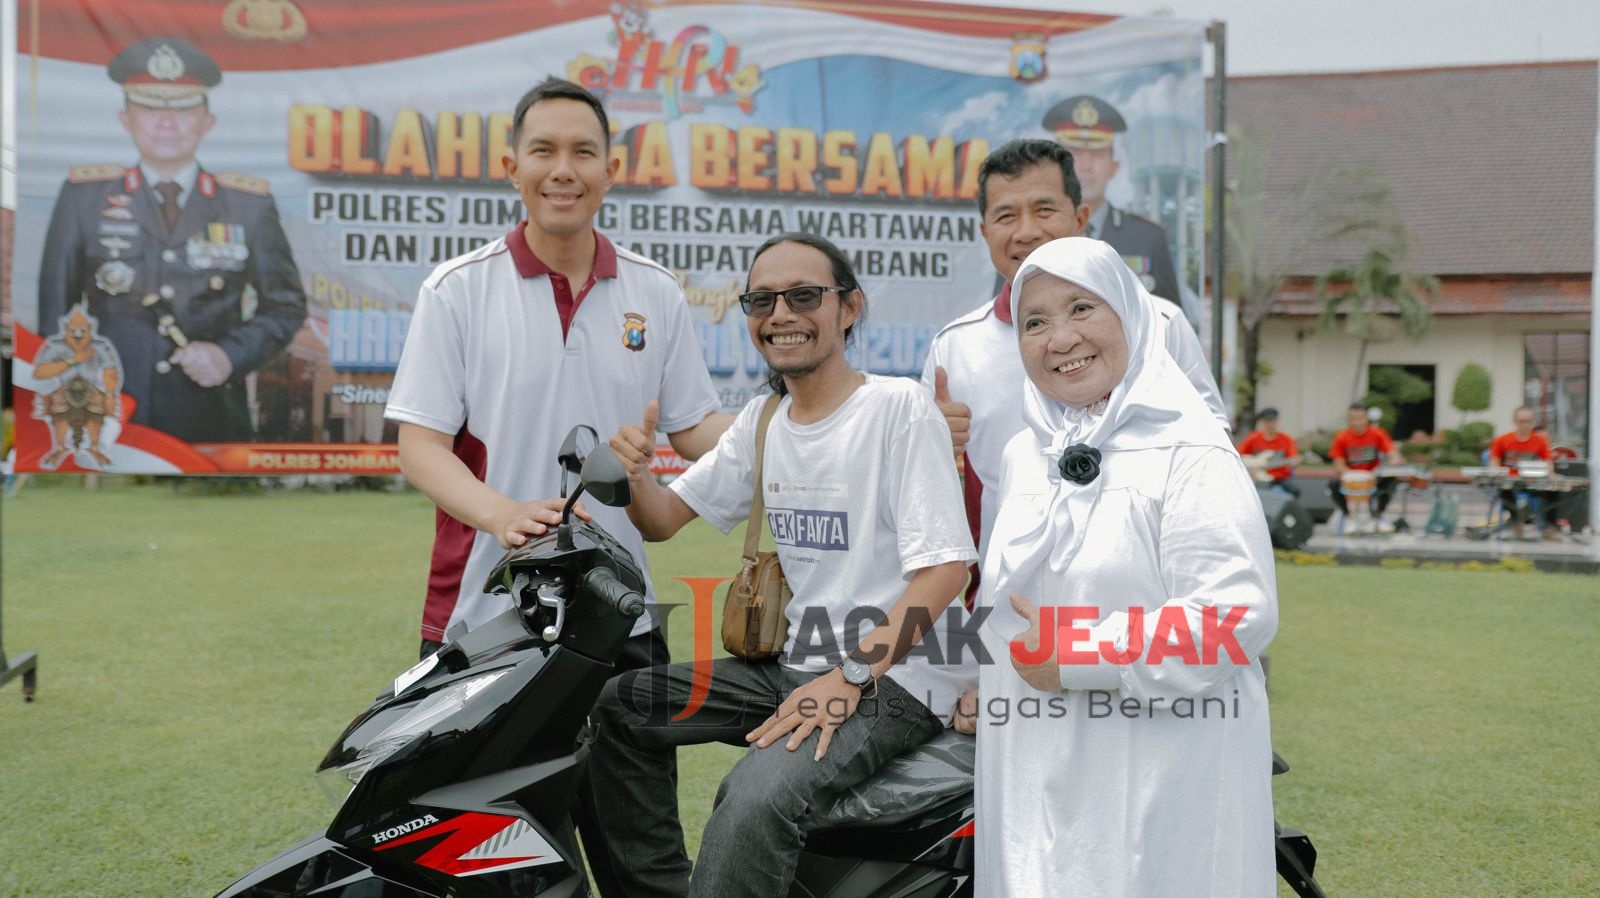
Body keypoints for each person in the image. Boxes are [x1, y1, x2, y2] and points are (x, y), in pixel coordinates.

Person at [383, 76, 730, 896]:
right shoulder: (458, 289)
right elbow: (420, 446)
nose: (563, 169)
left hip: (620, 619)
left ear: (612, 169)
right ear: (512, 166)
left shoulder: (653, 291)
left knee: (646, 864)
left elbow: (701, 432)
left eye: (583, 152)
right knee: (500, 868)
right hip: (487, 622)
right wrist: (502, 514)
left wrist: (812, 432)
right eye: (543, 150)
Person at [589, 233, 975, 898]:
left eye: (803, 296)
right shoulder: (764, 419)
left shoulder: (897, 408)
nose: (781, 314)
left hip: (897, 678)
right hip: (795, 665)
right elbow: (662, 520)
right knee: (619, 708)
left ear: (849, 308)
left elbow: (946, 570)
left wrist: (851, 676)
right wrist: (635, 474)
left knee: (752, 799)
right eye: (762, 300)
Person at [971, 236, 1276, 896]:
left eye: (1082, 308)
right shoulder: (1025, 453)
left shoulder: (1190, 450)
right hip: (1030, 762)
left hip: (1157, 768)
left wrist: (1077, 655)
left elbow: (1235, 616)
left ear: (1132, 314)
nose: (1061, 338)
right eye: (1035, 321)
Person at [920, 138, 1227, 611]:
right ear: (984, 231)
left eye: (1045, 210)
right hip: (1006, 612)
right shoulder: (955, 347)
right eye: (1006, 216)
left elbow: (1213, 451)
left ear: (1081, 219)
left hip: (1141, 611)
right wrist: (934, 443)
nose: (1026, 231)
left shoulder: (1157, 324)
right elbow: (927, 498)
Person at [37, 37, 307, 442]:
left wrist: (229, 355)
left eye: (182, 109)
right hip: (108, 417)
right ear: (125, 118)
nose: (166, 122)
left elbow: (286, 306)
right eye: (149, 108)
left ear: (207, 121)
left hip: (211, 418)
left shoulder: (248, 205)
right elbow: (55, 318)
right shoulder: (84, 199)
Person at [1042, 94, 1181, 307]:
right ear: (1056, 166)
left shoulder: (1148, 238)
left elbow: (1169, 318)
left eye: (1097, 154)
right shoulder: (1034, 234)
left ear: (1114, 167)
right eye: (1074, 153)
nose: (1086, 166)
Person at [1328, 402, 1405, 528]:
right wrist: (1353, 476)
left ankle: (1378, 515)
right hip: (1350, 476)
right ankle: (1348, 516)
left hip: (1374, 475)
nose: (1356, 422)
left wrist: (1394, 459)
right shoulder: (1341, 437)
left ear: (1366, 418)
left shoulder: (1378, 433)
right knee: (1333, 484)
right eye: (1352, 419)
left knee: (1391, 480)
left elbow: (1392, 452)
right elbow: (1338, 464)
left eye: (1360, 418)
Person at [1488, 406, 1558, 537]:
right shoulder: (1502, 440)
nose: (1525, 425)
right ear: (1515, 421)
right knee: (1504, 489)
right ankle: (1516, 521)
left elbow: (1548, 462)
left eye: (1529, 421)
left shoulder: (1540, 441)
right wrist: (1497, 474)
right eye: (1522, 421)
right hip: (1510, 482)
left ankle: (1550, 528)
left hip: (1533, 481)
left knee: (1553, 491)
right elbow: (1494, 462)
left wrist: (1550, 474)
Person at [1236, 406, 1300, 494]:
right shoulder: (1253, 438)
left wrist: (1294, 463)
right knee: (1259, 493)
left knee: (1295, 491)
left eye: (1272, 420)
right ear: (1262, 422)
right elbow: (1238, 455)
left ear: (1277, 420)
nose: (1270, 424)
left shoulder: (1286, 439)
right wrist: (1249, 469)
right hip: (1259, 477)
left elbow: (1294, 458)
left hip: (1281, 477)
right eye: (1267, 421)